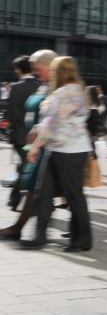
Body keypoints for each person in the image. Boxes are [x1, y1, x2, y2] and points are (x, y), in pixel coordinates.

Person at [20, 57, 93, 252]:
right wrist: (37, 131)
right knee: (43, 192)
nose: (50, 73)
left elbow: (54, 123)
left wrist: (36, 146)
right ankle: (39, 236)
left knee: (74, 195)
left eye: (53, 70)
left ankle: (83, 239)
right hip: (57, 148)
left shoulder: (68, 91)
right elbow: (50, 121)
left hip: (70, 150)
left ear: (61, 72)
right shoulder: (66, 91)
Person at [0, 49, 56, 240]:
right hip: (33, 141)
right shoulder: (41, 86)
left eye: (36, 66)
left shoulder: (55, 88)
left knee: (37, 187)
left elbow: (53, 119)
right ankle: (24, 228)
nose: (33, 70)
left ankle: (36, 230)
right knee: (30, 186)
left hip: (45, 143)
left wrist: (37, 139)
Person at [6, 56, 39, 211]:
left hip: (20, 136)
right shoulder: (41, 86)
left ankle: (15, 201)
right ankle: (16, 200)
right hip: (38, 135)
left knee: (26, 167)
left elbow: (11, 114)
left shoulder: (15, 87)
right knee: (28, 167)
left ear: (18, 69)